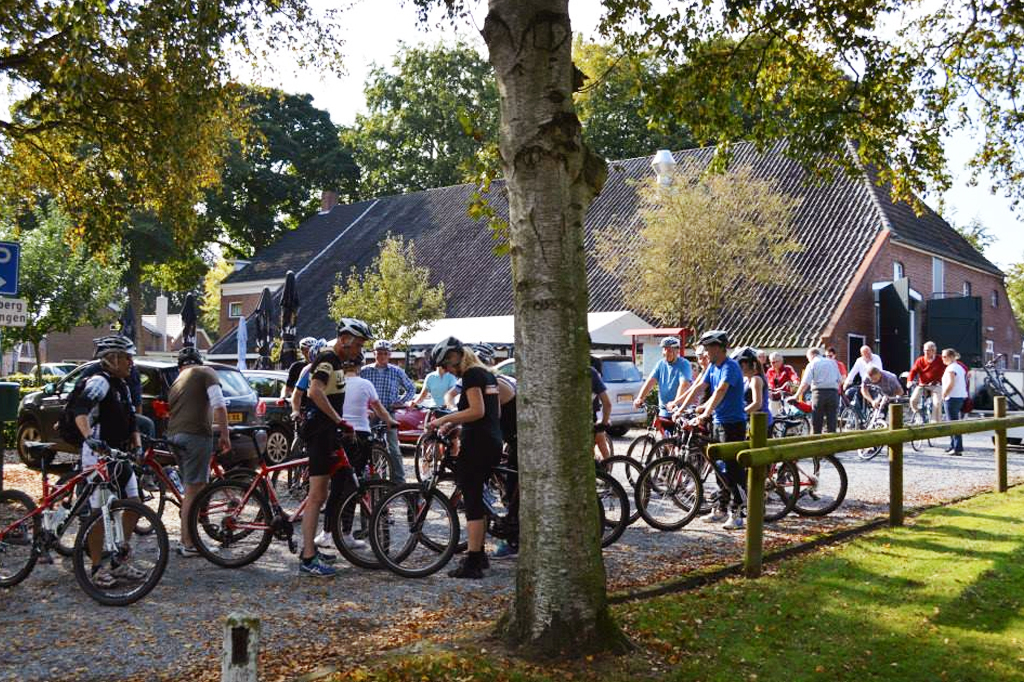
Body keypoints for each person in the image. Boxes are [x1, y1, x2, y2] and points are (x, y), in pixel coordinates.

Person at [300, 317, 373, 578]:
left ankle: (317, 545)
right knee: (317, 495)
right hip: (320, 433)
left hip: (329, 433)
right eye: (358, 344)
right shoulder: (328, 359)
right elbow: (315, 392)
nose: (360, 351)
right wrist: (338, 419)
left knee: (330, 489)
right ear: (344, 339)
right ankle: (308, 556)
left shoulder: (337, 361)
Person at [426, 337, 503, 579]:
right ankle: (478, 555)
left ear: (456, 355)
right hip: (491, 439)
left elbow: (476, 411)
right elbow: (492, 412)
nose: (448, 369)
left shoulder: (471, 375)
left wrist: (444, 420)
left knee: (472, 501)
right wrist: (459, 427)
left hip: (478, 444)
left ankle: (472, 562)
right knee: (476, 498)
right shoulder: (487, 374)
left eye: (447, 364)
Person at [74, 335, 144, 588]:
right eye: (127, 357)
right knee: (99, 512)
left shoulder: (122, 385)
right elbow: (80, 412)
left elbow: (132, 421)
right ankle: (95, 568)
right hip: (99, 454)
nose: (131, 362)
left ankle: (119, 558)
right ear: (112, 359)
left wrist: (138, 446)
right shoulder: (99, 383)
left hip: (120, 454)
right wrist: (89, 439)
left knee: (135, 504)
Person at [314, 359, 397, 551]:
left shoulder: (336, 384)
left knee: (335, 485)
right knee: (354, 486)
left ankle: (326, 533)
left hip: (338, 434)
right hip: (360, 436)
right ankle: (346, 533)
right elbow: (379, 409)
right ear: (359, 368)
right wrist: (391, 421)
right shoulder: (365, 384)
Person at [167, 347, 231, 557]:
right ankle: (189, 543)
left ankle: (186, 539)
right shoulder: (206, 372)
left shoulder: (177, 381)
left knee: (189, 490)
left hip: (174, 437)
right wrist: (224, 434)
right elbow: (219, 404)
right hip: (195, 437)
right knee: (194, 491)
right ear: (199, 361)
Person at [693, 330, 747, 531]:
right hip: (718, 422)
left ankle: (738, 513)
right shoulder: (712, 367)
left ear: (719, 348)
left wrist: (706, 411)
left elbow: (721, 390)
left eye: (708, 348)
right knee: (717, 468)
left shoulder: (729, 367)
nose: (706, 352)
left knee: (733, 469)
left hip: (732, 424)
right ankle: (721, 508)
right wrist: (679, 407)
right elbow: (699, 386)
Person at [360, 340, 416, 484]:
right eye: (379, 353)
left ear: (390, 354)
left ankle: (399, 481)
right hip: (371, 413)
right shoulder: (365, 371)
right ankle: (368, 475)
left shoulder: (396, 371)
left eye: (385, 353)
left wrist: (401, 401)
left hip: (389, 412)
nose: (382, 356)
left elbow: (411, 388)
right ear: (374, 354)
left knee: (393, 447)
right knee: (366, 444)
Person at [634, 337, 692, 426]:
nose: (666, 353)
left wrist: (675, 403)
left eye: (669, 350)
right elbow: (650, 382)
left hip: (679, 412)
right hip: (663, 411)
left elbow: (684, 385)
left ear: (677, 351)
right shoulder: (660, 364)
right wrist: (640, 398)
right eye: (664, 350)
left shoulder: (684, 364)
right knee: (664, 439)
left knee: (676, 439)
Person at [796, 347, 843, 434]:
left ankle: (817, 445)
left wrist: (796, 395)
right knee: (832, 423)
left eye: (808, 358)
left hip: (819, 393)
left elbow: (805, 383)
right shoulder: (832, 362)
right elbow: (840, 380)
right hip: (833, 393)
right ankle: (832, 444)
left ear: (812, 355)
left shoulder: (812, 364)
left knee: (817, 423)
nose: (808, 360)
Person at [734, 347, 772, 431]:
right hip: (750, 419)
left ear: (745, 365)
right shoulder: (746, 379)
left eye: (740, 365)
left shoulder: (756, 379)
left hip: (760, 422)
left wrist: (740, 413)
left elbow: (757, 404)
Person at [908, 341, 944, 423]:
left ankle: (935, 422)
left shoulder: (940, 359)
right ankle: (918, 415)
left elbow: (950, 364)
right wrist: (909, 381)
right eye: (925, 350)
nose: (926, 352)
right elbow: (913, 371)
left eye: (928, 350)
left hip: (936, 385)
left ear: (934, 351)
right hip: (923, 384)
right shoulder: (920, 360)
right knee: (913, 400)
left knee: (937, 403)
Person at [941, 348, 968, 456]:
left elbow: (951, 383)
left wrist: (944, 394)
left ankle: (957, 447)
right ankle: (953, 444)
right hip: (959, 396)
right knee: (952, 421)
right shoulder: (959, 367)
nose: (943, 359)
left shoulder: (951, 368)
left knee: (953, 422)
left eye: (944, 356)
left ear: (951, 357)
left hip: (952, 397)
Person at [843, 345, 884, 414]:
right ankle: (858, 415)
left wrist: (869, 362)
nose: (869, 355)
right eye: (866, 354)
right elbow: (853, 372)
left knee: (875, 400)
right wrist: (847, 383)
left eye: (869, 353)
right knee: (849, 393)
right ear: (862, 355)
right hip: (864, 384)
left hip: (875, 384)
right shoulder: (859, 361)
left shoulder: (876, 358)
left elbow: (878, 371)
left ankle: (876, 416)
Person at [592, 365, 613, 460]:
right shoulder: (591, 373)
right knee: (600, 440)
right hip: (592, 419)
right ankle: (607, 468)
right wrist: (603, 424)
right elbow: (607, 404)